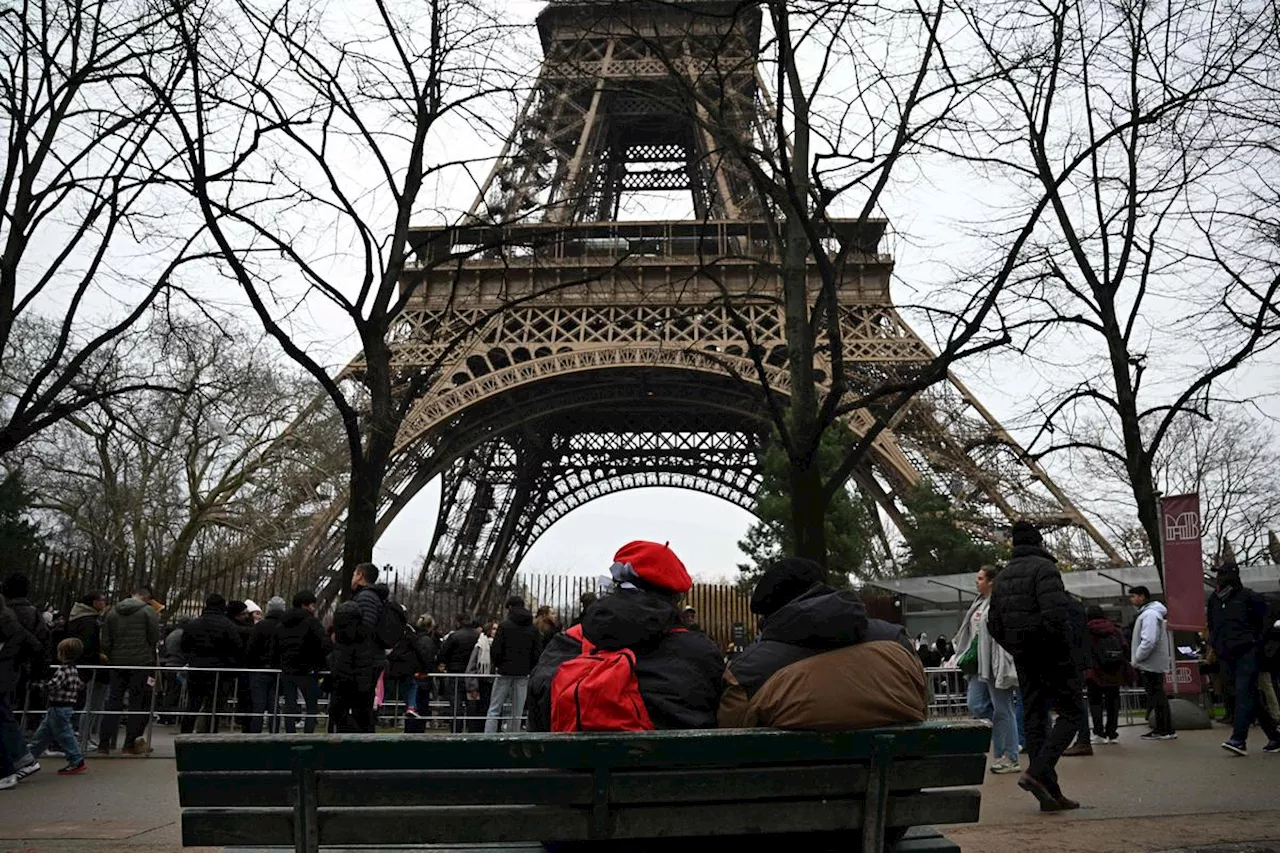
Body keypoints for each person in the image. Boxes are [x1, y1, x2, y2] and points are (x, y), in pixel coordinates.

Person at [527, 541, 723, 731]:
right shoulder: (699, 652)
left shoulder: (569, 642)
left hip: (575, 763)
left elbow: (538, 714)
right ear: (675, 597)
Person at [719, 557, 926, 729]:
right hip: (902, 775)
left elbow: (730, 746)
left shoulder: (748, 674)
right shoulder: (897, 641)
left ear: (768, 614)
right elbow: (922, 707)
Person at [987, 521, 1082, 812]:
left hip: (1024, 658)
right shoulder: (1045, 569)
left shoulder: (1001, 577)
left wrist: (1017, 648)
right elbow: (1056, 617)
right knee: (1073, 713)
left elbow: (993, 624)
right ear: (1038, 542)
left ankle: (1050, 792)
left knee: (1035, 719)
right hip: (1052, 655)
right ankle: (1038, 771)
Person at [951, 565, 1020, 774]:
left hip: (995, 662)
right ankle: (1007, 739)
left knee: (1002, 709)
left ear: (992, 581)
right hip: (979, 664)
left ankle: (1008, 755)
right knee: (977, 705)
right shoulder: (978, 603)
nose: (977, 582)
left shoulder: (1001, 604)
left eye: (980, 578)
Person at [1208, 563, 1280, 755]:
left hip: (1247, 652)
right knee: (1247, 696)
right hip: (1226, 653)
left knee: (1242, 692)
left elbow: (1264, 622)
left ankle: (1239, 739)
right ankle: (1275, 736)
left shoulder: (1249, 597)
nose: (1218, 579)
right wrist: (1214, 643)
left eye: (1222, 574)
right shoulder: (1215, 599)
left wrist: (1256, 643)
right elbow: (1212, 623)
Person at [98, 585, 159, 756]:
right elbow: (154, 637)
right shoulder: (148, 611)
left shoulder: (112, 611)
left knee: (113, 701)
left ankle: (104, 744)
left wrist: (113, 656)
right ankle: (129, 744)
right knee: (136, 703)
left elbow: (105, 641)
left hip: (117, 663)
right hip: (140, 662)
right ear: (147, 598)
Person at [180, 594, 243, 734]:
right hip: (220, 672)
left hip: (197, 669)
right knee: (214, 707)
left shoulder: (194, 624)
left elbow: (184, 646)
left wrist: (192, 659)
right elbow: (237, 648)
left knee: (192, 704)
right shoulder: (228, 625)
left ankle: (185, 733)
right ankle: (209, 734)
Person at [26, 638, 87, 776]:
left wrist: (37, 685)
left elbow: (53, 685)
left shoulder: (62, 670)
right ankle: (28, 758)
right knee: (43, 734)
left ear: (62, 654)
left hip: (58, 707)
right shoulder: (73, 669)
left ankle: (76, 760)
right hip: (64, 707)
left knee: (64, 735)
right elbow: (79, 685)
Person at [276, 591, 332, 734]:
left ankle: (290, 734)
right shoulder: (311, 622)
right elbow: (324, 643)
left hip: (288, 669)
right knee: (311, 706)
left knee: (290, 705)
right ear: (305, 605)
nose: (314, 608)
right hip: (307, 669)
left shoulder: (283, 623)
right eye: (312, 605)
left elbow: (275, 645)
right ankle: (308, 735)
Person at [1, 592, 40, 789]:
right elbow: (35, 644)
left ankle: (7, 771)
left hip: (5, 673)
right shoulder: (10, 618)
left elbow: (33, 644)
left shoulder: (8, 622)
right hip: (9, 673)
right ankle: (21, 760)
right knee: (5, 719)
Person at [485, 597, 542, 733]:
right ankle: (513, 738)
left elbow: (496, 650)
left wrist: (499, 664)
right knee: (517, 711)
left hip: (504, 672)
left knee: (494, 709)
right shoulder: (532, 629)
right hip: (523, 673)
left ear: (510, 608)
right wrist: (528, 667)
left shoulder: (505, 626)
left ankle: (488, 737)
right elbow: (537, 653)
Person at [1128, 586, 1176, 741]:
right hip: (1153, 662)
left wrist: (1137, 658)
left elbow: (1148, 640)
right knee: (1157, 695)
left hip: (1150, 663)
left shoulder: (1149, 615)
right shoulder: (1152, 614)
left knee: (1156, 696)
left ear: (1142, 597)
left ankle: (1164, 729)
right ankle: (1164, 728)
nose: (1131, 599)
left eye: (1133, 596)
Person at [1082, 606, 1129, 744]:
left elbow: (1084, 650)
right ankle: (1112, 732)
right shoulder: (1115, 629)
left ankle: (1098, 732)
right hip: (1114, 671)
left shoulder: (1086, 630)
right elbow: (1124, 647)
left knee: (1095, 702)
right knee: (1113, 702)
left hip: (1094, 672)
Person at [328, 601, 376, 733]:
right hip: (359, 692)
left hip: (343, 689)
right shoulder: (364, 639)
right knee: (363, 721)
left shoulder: (340, 642)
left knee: (341, 719)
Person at [65, 592, 106, 742]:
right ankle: (79, 736)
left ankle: (74, 734)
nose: (104, 603)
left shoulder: (76, 618)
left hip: (76, 663)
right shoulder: (90, 621)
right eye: (102, 600)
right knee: (83, 702)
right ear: (94, 603)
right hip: (86, 665)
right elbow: (89, 645)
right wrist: (98, 656)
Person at [245, 596, 286, 733]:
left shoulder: (261, 626)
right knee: (274, 706)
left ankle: (255, 736)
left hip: (258, 669)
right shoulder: (286, 626)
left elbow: (251, 649)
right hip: (278, 670)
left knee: (258, 706)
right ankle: (274, 735)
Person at [1062, 597, 1094, 757]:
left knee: (1074, 702)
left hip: (1069, 661)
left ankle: (1082, 740)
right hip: (1076, 661)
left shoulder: (1065, 605)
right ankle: (1082, 739)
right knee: (1076, 700)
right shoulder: (1075, 604)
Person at [437, 615, 480, 733]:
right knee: (472, 704)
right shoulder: (478, 636)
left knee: (456, 704)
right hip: (473, 676)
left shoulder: (454, 636)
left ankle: (456, 730)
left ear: (458, 623)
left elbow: (443, 654)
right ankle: (472, 731)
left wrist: (445, 664)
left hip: (455, 674)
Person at [465, 621, 497, 733]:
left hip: (495, 683)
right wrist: (472, 686)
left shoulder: (498, 645)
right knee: (480, 711)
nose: (496, 631)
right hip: (482, 683)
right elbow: (472, 666)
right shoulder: (480, 645)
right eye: (494, 628)